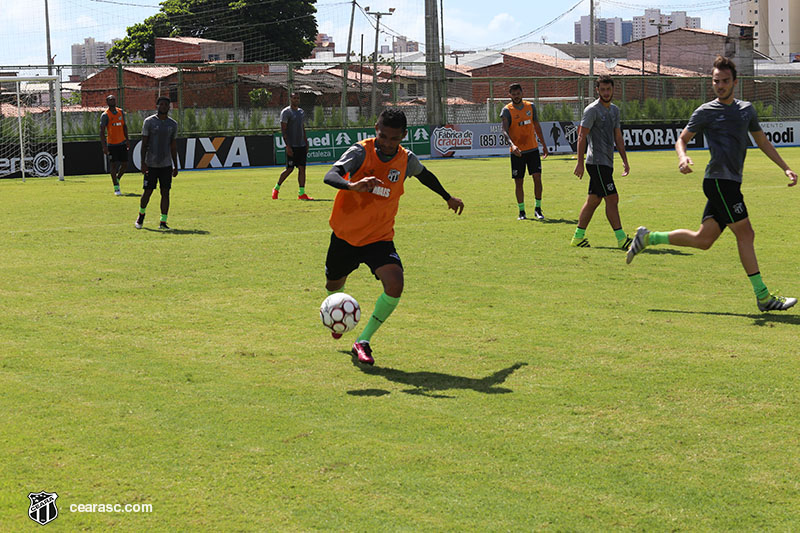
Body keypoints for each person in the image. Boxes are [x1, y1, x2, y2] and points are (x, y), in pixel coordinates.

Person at [627, 56, 797, 311]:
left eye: (725, 81)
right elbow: (681, 139)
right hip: (718, 182)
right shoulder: (705, 111)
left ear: (734, 82)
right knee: (746, 233)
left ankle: (648, 238)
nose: (720, 85)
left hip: (729, 184)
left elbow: (762, 142)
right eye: (716, 81)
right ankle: (763, 297)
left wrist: (785, 168)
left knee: (703, 240)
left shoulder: (746, 110)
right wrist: (682, 157)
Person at [323, 108, 465, 365]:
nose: (387, 143)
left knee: (395, 284)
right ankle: (337, 313)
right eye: (383, 136)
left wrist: (447, 197)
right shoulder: (360, 152)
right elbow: (330, 175)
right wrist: (351, 185)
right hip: (345, 236)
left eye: (394, 138)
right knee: (333, 285)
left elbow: (425, 176)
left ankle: (362, 341)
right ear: (375, 128)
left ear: (403, 136)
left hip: (379, 237)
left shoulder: (405, 159)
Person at [571, 75, 632, 249]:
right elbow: (582, 136)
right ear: (597, 90)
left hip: (607, 162)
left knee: (593, 201)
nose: (606, 93)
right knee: (612, 198)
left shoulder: (614, 110)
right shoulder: (592, 110)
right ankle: (621, 239)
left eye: (609, 89)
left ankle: (578, 237)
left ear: (613, 90)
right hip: (596, 162)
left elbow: (618, 136)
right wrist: (580, 162)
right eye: (602, 89)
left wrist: (625, 160)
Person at [501, 83, 549, 220]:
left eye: (518, 93)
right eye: (513, 94)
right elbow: (504, 130)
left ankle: (538, 209)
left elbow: (537, 126)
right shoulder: (506, 110)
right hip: (517, 152)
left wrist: (544, 145)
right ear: (509, 95)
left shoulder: (530, 107)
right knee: (519, 182)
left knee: (537, 178)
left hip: (533, 149)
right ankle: (521, 212)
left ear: (522, 93)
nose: (516, 96)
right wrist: (512, 145)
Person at [135, 96, 178, 230]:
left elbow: (173, 145)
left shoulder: (173, 124)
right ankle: (141, 216)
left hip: (166, 165)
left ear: (169, 107)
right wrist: (143, 162)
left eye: (166, 104)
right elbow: (144, 144)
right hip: (151, 164)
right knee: (147, 192)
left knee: (165, 193)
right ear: (157, 106)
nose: (164, 106)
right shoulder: (149, 122)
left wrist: (175, 165)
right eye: (161, 104)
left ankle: (163, 222)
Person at [272, 92, 312, 200]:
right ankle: (276, 188)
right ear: (290, 99)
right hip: (292, 146)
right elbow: (283, 130)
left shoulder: (301, 112)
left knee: (302, 169)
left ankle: (301, 193)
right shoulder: (286, 112)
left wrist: (306, 142)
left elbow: (302, 128)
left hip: (301, 145)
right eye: (294, 98)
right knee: (289, 169)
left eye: (298, 98)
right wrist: (288, 146)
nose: (296, 100)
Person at [99, 94, 129, 196]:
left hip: (122, 142)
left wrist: (127, 139)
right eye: (110, 100)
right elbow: (102, 132)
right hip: (112, 144)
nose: (112, 101)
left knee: (125, 165)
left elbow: (124, 126)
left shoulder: (120, 112)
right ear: (107, 102)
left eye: (113, 99)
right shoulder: (105, 115)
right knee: (113, 165)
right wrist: (104, 146)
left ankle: (117, 179)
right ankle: (116, 187)